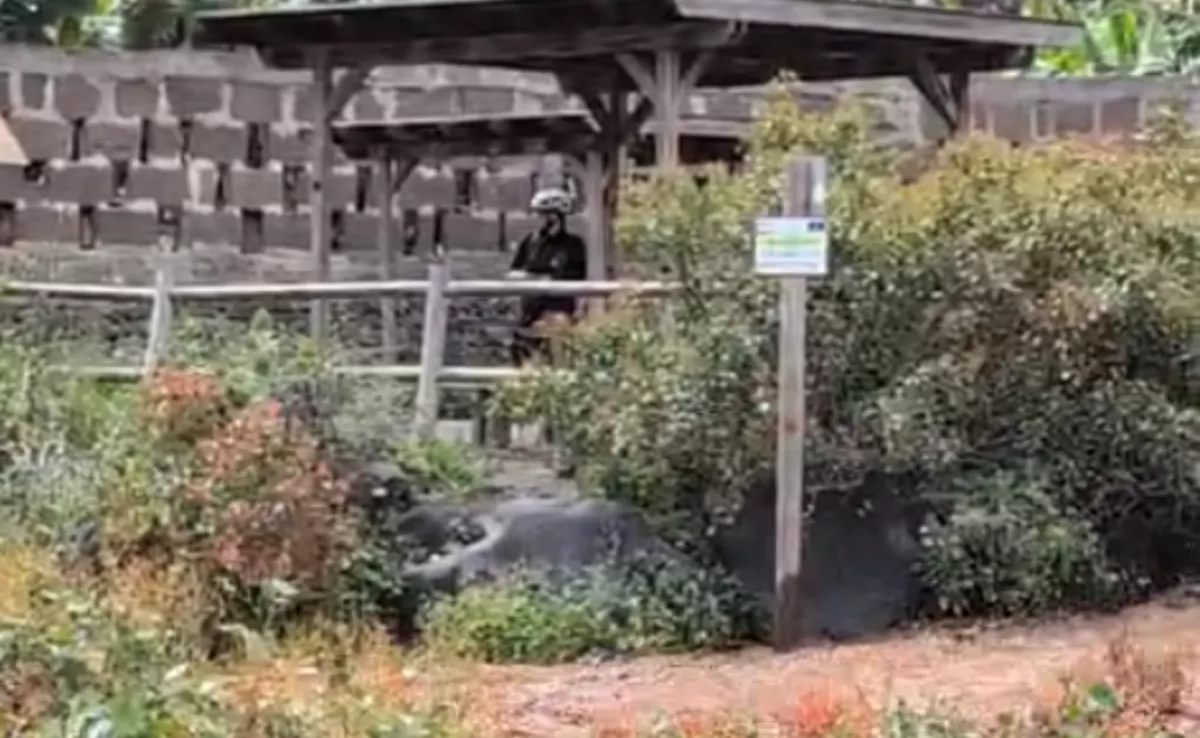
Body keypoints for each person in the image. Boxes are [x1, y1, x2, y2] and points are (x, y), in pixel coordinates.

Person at [507, 187, 588, 366]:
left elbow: (578, 278)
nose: (538, 219)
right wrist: (533, 279)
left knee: (555, 357)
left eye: (542, 214)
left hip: (558, 312)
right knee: (521, 355)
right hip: (529, 311)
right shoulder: (531, 241)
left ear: (554, 216)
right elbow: (513, 272)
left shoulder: (573, 245)